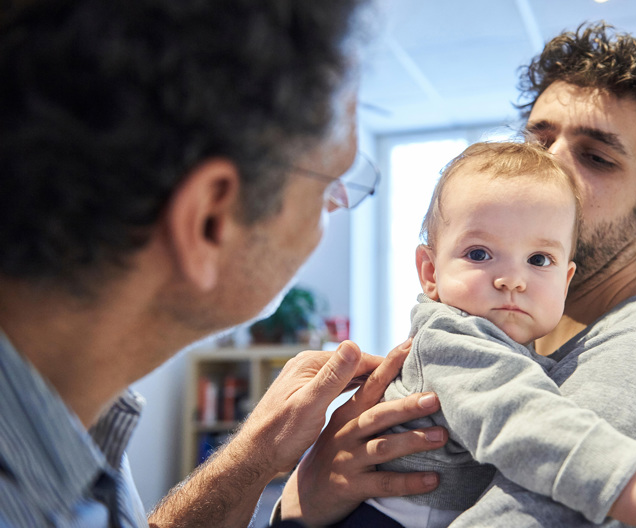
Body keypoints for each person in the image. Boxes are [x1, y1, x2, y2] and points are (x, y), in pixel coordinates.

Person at [279, 22, 636, 527]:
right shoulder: (500, 332)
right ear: (429, 269)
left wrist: (299, 508)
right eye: (540, 141)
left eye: (596, 156)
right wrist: (308, 497)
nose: (552, 166)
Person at [0, 1, 451, 527]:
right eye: (329, 184)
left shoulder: (71, 409)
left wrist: (254, 458)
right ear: (211, 220)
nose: (334, 207)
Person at [339, 141, 636, 528]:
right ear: (431, 273)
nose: (512, 280)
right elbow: (531, 426)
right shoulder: (451, 337)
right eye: (479, 253)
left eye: (539, 260)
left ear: (566, 279)